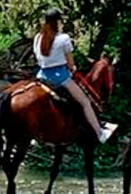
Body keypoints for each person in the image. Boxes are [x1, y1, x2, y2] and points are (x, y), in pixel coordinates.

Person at [33, 8, 116, 144]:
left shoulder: (38, 37)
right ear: (58, 22)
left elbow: (39, 58)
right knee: (85, 102)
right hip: (60, 77)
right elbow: (70, 64)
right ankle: (100, 133)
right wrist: (73, 69)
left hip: (41, 75)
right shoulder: (63, 38)